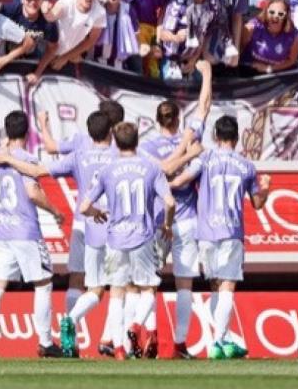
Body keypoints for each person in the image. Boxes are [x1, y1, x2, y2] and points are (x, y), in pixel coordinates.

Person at [0, 110, 118, 358]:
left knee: (77, 280)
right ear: (111, 131)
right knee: (112, 287)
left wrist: (10, 160)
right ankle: (107, 339)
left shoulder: (79, 154)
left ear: (89, 130)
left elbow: (39, 170)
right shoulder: (119, 156)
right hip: (111, 227)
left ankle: (70, 340)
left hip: (82, 224)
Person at [170, 115, 271, 359]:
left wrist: (163, 184)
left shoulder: (204, 159)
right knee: (227, 286)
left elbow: (181, 180)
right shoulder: (247, 166)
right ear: (237, 139)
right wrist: (266, 186)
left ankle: (223, 340)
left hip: (205, 233)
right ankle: (218, 342)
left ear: (215, 137)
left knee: (217, 286)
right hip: (231, 232)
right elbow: (257, 203)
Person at [78, 121, 175, 361]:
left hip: (115, 239)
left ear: (115, 140)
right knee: (149, 288)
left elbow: (84, 206)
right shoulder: (151, 168)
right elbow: (170, 202)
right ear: (137, 140)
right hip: (142, 237)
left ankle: (119, 348)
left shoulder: (107, 170)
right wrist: (167, 226)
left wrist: (96, 214)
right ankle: (136, 326)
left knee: (117, 294)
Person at [138, 60, 212, 359]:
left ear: (157, 121)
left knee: (147, 284)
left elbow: (161, 173)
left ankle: (151, 337)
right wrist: (207, 74)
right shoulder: (191, 136)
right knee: (185, 283)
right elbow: (205, 105)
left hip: (158, 220)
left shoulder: (146, 148)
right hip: (186, 219)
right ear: (178, 119)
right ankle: (180, 344)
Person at [0, 110, 65, 358]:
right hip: (26, 232)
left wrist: (4, 146)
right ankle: (46, 342)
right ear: (27, 133)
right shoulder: (26, 159)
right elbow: (33, 192)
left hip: (3, 232)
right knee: (43, 284)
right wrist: (56, 211)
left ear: (7, 133)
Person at [40, 0, 106, 74]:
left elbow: (91, 41)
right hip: (43, 53)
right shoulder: (67, 1)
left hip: (67, 58)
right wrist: (45, 10)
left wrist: (64, 58)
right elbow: (51, 17)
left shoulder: (100, 12)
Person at [159, 0, 216, 80]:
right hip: (172, 58)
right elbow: (162, 34)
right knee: (175, 90)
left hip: (192, 58)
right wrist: (176, 38)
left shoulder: (212, 3)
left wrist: (192, 62)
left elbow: (204, 37)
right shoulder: (179, 1)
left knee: (205, 86)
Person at [2, 0, 60, 80]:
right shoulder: (11, 10)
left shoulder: (48, 20)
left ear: (42, 0)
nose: (33, 2)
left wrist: (37, 73)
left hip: (34, 58)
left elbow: (52, 48)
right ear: (22, 0)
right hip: (8, 54)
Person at [89, 0, 142, 73]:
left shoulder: (128, 10)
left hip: (119, 66)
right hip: (95, 64)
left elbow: (135, 39)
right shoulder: (96, 8)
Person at [239, 0, 298, 75]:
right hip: (248, 71)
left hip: (274, 75)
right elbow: (240, 48)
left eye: (280, 14)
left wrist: (269, 68)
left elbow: (292, 61)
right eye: (272, 12)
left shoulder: (294, 37)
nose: (275, 16)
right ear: (266, 12)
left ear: (286, 16)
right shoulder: (252, 27)